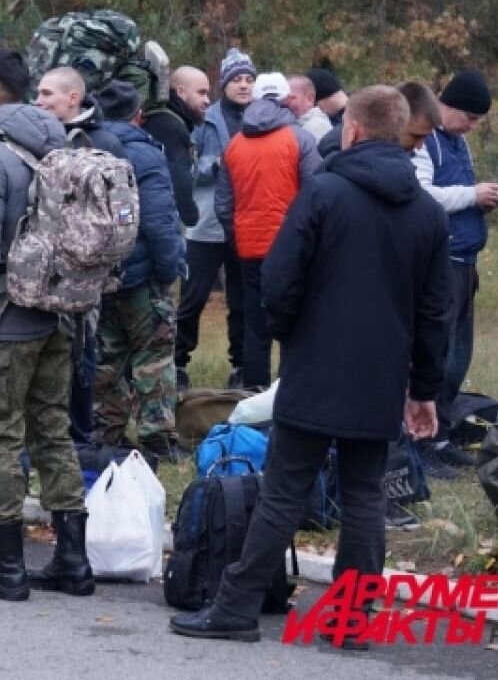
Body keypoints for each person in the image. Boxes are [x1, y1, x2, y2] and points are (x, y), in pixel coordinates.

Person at [169, 85, 449, 645]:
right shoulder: (427, 213)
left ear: (352, 130)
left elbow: (278, 278)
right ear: (401, 133)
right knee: (366, 496)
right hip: (380, 374)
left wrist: (291, 333)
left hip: (316, 364)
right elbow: (434, 312)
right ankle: (350, 623)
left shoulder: (323, 193)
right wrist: (423, 388)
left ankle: (236, 608)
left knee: (283, 489)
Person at [0, 50, 91, 602]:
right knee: (53, 430)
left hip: (5, 319)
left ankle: (7, 566)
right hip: (59, 313)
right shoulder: (57, 142)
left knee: (1, 438)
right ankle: (72, 561)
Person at [410, 69, 498, 480]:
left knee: (458, 355)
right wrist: (472, 195)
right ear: (447, 106)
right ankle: (420, 440)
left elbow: (456, 195)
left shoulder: (460, 143)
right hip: (439, 263)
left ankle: (442, 432)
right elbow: (420, 193)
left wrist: (482, 202)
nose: (472, 126)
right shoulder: (423, 139)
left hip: (466, 261)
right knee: (435, 352)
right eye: (468, 116)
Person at [92, 80, 187, 460]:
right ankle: (157, 438)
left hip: (98, 273)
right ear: (138, 115)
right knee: (154, 355)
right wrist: (167, 272)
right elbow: (159, 221)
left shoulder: (84, 145)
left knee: (106, 356)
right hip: (142, 273)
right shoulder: (144, 153)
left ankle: (107, 432)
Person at [34, 67, 124, 447]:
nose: (39, 102)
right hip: (40, 273)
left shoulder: (103, 145)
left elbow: (121, 217)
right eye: (37, 94)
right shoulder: (37, 140)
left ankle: (81, 439)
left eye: (47, 95)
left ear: (73, 98)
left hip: (85, 276)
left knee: (83, 356)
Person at [215, 72, 321, 389]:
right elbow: (316, 194)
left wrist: (238, 238)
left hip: (250, 249)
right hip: (292, 248)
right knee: (296, 321)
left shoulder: (234, 145)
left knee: (255, 323)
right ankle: (291, 389)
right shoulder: (300, 138)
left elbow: (224, 205)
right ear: (287, 99)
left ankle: (254, 391)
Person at [176, 49, 255, 390]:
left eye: (249, 79)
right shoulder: (201, 119)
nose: (243, 85)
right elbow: (186, 170)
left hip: (244, 224)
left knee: (242, 300)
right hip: (205, 225)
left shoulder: (261, 119)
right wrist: (218, 166)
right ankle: (177, 364)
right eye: (236, 79)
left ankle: (242, 366)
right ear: (224, 84)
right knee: (193, 298)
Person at [141, 67, 206, 228]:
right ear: (181, 92)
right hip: (161, 221)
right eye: (201, 93)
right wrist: (191, 215)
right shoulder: (171, 127)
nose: (207, 100)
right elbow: (179, 177)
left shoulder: (162, 117)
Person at [282, 74, 333, 141]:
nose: (286, 103)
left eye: (292, 98)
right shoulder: (302, 125)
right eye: (284, 99)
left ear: (309, 99)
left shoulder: (316, 126)